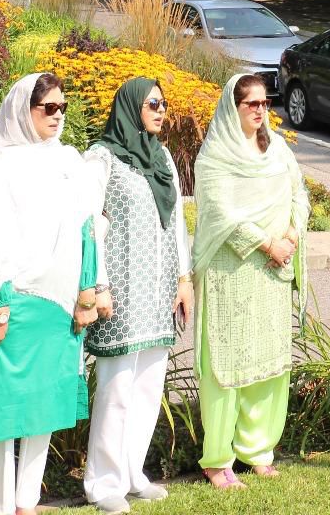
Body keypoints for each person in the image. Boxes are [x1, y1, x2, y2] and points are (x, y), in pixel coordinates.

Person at [0, 73, 99, 515]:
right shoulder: (0, 163)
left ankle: (27, 504)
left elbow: (87, 229)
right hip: (17, 301)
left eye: (62, 108)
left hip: (61, 303)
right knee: (3, 412)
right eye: (48, 107)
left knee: (44, 411)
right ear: (22, 110)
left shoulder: (69, 160)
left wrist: (87, 292)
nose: (57, 116)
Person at [192, 73, 309, 487]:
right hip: (233, 272)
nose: (261, 110)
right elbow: (220, 213)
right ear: (233, 106)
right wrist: (266, 244)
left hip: (274, 273)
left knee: (269, 364)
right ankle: (217, 458)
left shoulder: (276, 148)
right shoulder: (214, 156)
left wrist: (291, 236)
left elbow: (300, 194)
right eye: (252, 104)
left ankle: (258, 448)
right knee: (228, 364)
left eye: (265, 102)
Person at [82, 78, 193, 514]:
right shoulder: (102, 158)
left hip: (159, 288)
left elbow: (178, 219)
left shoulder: (160, 154)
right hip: (122, 292)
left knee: (148, 384)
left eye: (164, 104)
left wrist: (184, 278)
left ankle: (132, 473)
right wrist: (99, 286)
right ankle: (102, 482)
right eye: (152, 104)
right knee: (117, 387)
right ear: (131, 106)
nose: (161, 110)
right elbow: (91, 228)